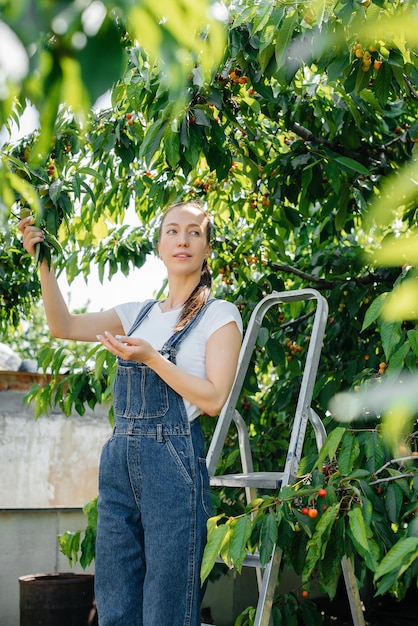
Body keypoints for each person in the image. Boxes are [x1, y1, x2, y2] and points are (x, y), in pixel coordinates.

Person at [19, 200, 243, 626]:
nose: (183, 240)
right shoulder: (137, 314)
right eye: (173, 231)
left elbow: (214, 399)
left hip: (173, 463)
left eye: (195, 232)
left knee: (167, 604)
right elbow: (62, 326)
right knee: (116, 599)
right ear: (159, 246)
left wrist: (153, 358)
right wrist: (43, 262)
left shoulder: (220, 315)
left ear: (208, 248)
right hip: (119, 459)